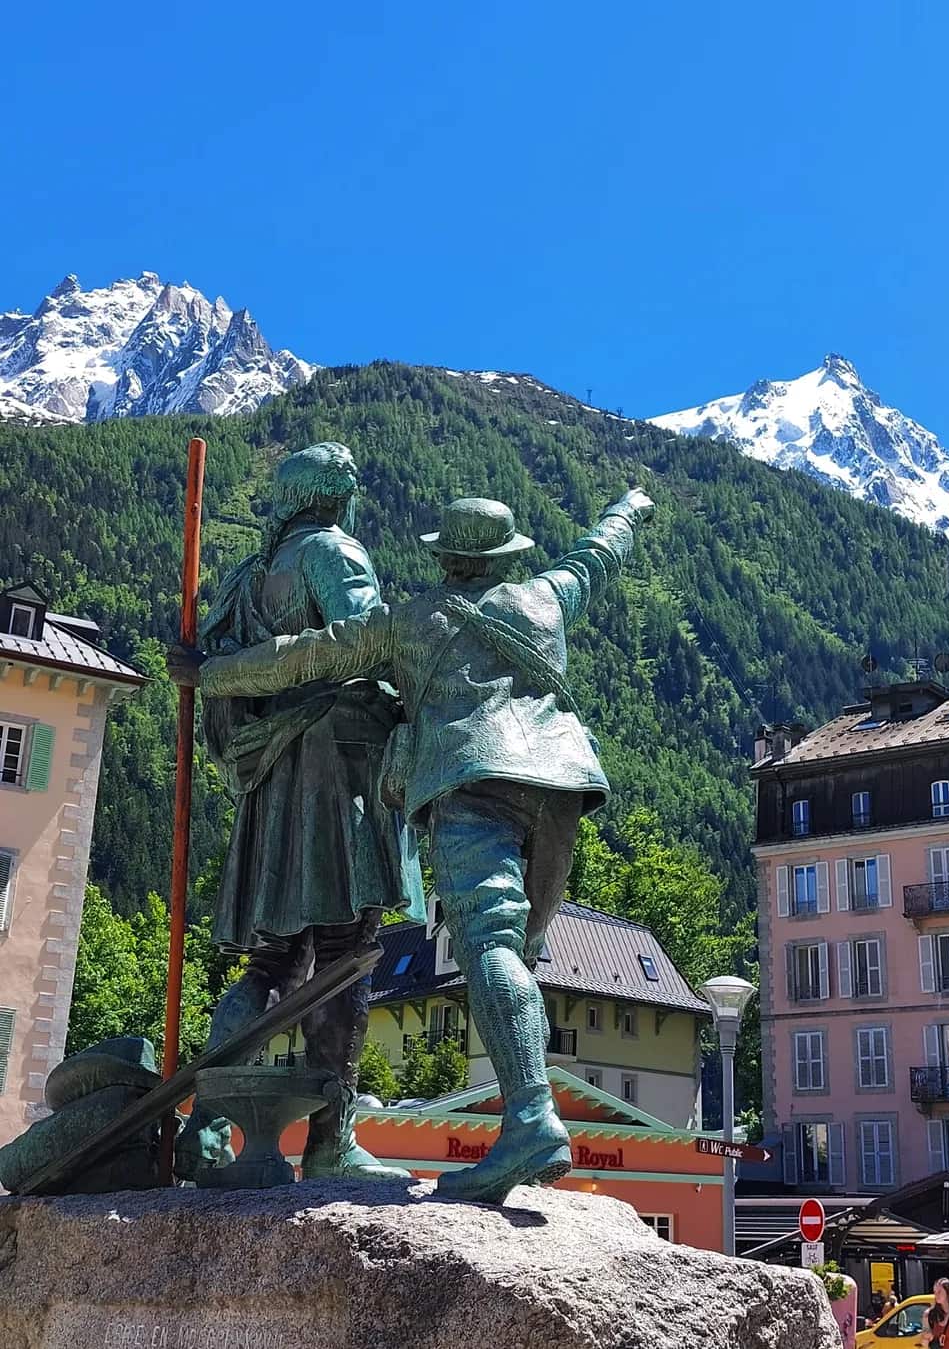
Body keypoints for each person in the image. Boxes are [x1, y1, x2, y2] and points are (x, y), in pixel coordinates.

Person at [177, 488, 655, 1202]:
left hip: (471, 782)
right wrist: (633, 506)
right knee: (518, 950)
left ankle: (530, 1119)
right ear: (508, 555)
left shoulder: (407, 622)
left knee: (489, 943)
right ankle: (526, 1118)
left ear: (447, 558)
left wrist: (208, 674)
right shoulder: (550, 595)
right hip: (563, 786)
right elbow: (599, 551)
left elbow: (299, 659)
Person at [172, 442, 425, 1182]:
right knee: (347, 958)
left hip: (274, 771)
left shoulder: (250, 577)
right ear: (334, 497)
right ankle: (330, 1142)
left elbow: (219, 681)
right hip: (337, 768)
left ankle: (207, 1128)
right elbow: (363, 643)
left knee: (275, 959)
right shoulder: (334, 552)